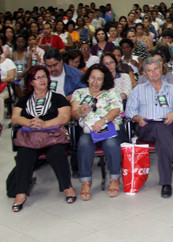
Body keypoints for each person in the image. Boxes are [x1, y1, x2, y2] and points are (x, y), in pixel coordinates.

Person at [11, 65, 76, 212]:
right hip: (30, 137)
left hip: (53, 136)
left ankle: (67, 187)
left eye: (44, 76)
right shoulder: (24, 100)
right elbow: (15, 118)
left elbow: (65, 117)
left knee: (56, 153)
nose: (42, 80)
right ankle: (21, 193)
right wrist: (30, 123)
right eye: (38, 77)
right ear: (31, 82)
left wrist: (44, 123)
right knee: (24, 155)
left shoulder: (57, 97)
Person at [125, 57, 173, 198]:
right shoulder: (138, 90)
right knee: (159, 130)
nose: (153, 72)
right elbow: (129, 111)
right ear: (145, 73)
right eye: (149, 70)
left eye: (156, 69)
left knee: (162, 134)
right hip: (146, 127)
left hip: (168, 126)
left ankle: (168, 179)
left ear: (161, 69)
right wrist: (137, 118)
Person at [71, 64, 123, 200]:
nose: (95, 82)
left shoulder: (111, 92)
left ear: (104, 80)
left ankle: (114, 179)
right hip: (88, 130)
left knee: (111, 144)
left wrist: (103, 120)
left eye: (99, 79)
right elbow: (74, 115)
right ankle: (86, 182)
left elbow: (116, 110)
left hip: (107, 127)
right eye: (92, 78)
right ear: (87, 78)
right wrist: (80, 111)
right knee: (83, 142)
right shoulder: (79, 93)